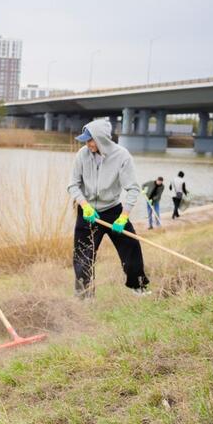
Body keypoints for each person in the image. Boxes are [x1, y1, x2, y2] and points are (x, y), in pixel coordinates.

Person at [67, 119, 150, 298]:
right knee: (83, 256)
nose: (87, 144)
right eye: (86, 140)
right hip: (88, 213)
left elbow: (133, 189)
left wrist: (123, 217)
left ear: (102, 139)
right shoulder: (82, 155)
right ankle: (84, 296)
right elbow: (73, 185)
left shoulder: (122, 156)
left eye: (91, 140)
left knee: (132, 247)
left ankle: (139, 287)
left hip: (113, 211)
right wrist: (85, 206)